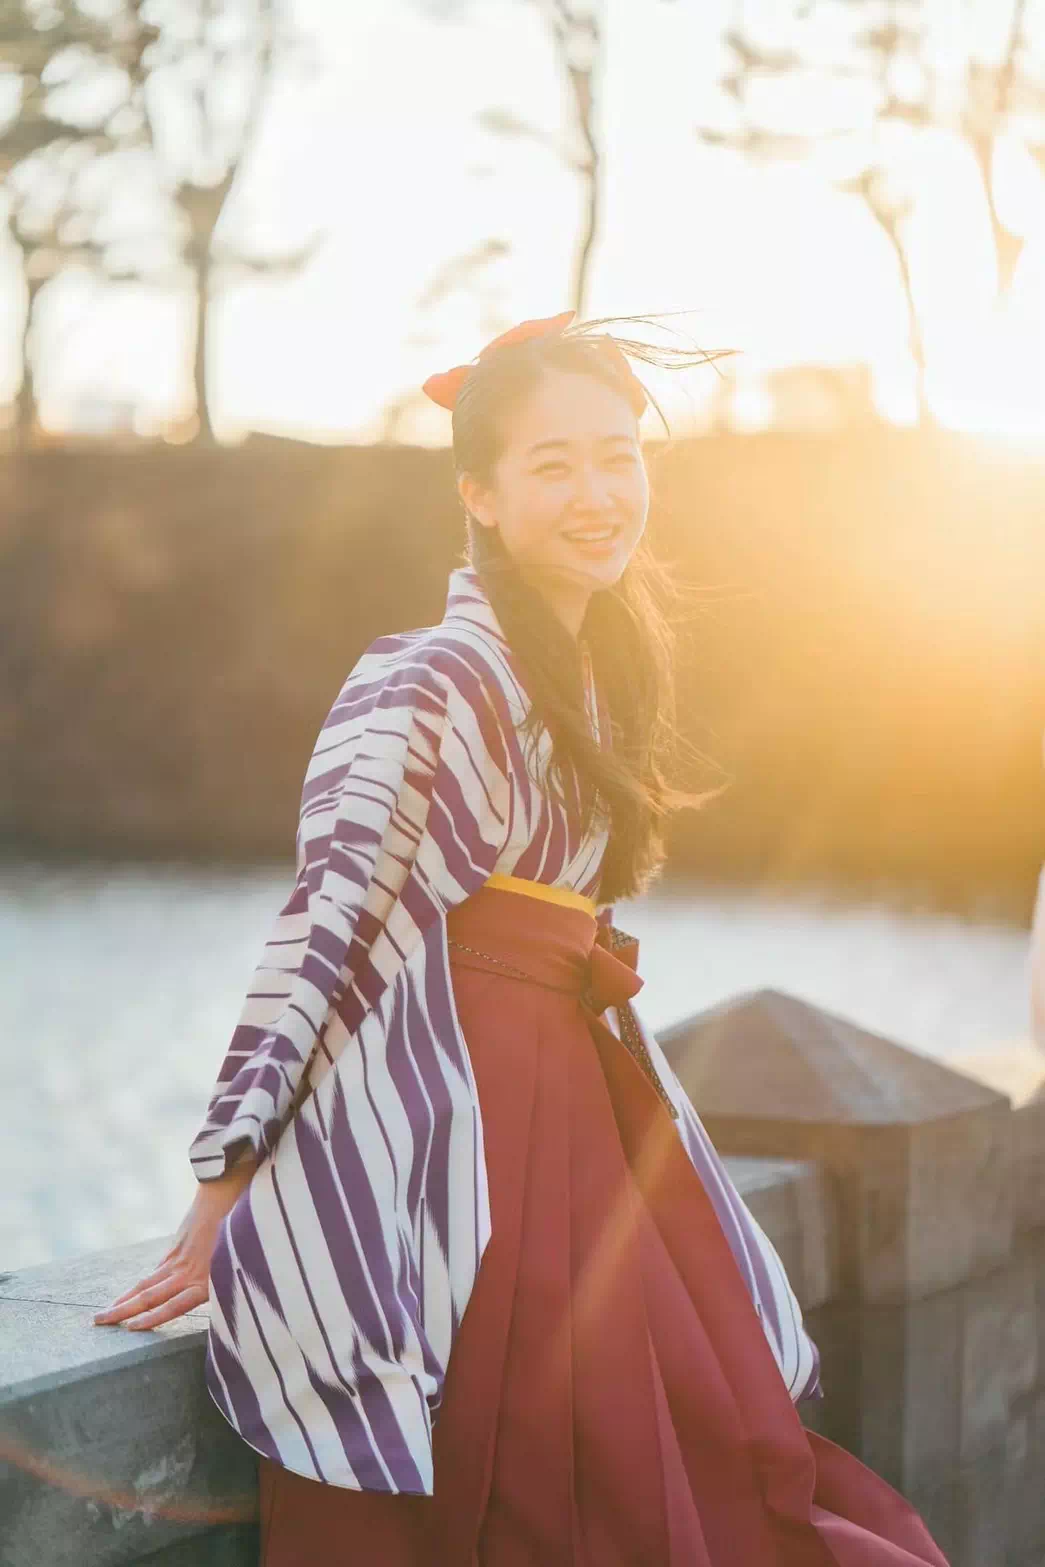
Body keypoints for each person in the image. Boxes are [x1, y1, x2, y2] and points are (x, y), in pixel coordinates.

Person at [94, 311, 951, 1565]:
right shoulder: (429, 677)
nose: (598, 493)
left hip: (567, 1095)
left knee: (641, 1467)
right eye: (552, 465)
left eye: (618, 456)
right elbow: (332, 924)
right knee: (548, 1479)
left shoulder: (594, 674)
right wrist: (229, 1173)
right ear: (479, 496)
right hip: (465, 1117)